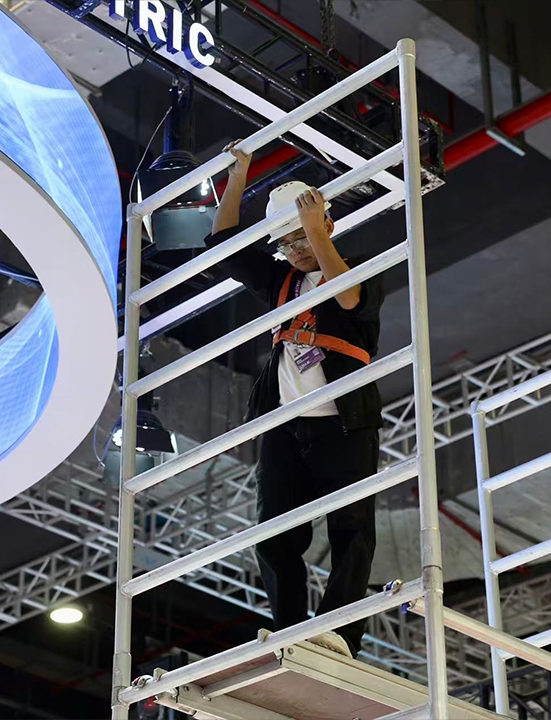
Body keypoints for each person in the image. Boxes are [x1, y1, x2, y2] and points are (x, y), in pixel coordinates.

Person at [203, 141, 384, 658]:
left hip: (344, 422)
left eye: (300, 237)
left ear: (327, 224)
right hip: (285, 425)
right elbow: (223, 246)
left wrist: (314, 230)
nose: (295, 249)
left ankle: (340, 633)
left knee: (351, 529)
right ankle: (288, 631)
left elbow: (347, 297)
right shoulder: (281, 279)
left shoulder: (362, 268)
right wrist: (239, 175)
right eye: (286, 242)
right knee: (275, 533)